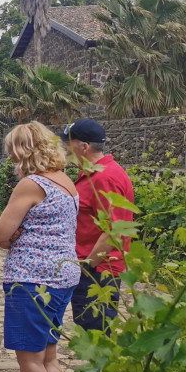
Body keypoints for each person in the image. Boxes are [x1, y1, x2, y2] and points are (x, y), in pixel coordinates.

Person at [0, 122, 80, 372]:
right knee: (49, 357)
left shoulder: (31, 184)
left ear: (22, 151)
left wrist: (16, 237)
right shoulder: (66, 181)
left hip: (31, 279)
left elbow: (0, 234)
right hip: (62, 277)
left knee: (29, 361)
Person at [63, 118, 134, 336]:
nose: (65, 148)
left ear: (83, 146)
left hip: (98, 272)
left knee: (97, 337)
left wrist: (87, 265)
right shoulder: (94, 174)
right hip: (93, 268)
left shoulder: (105, 178)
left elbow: (113, 231)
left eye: (69, 143)